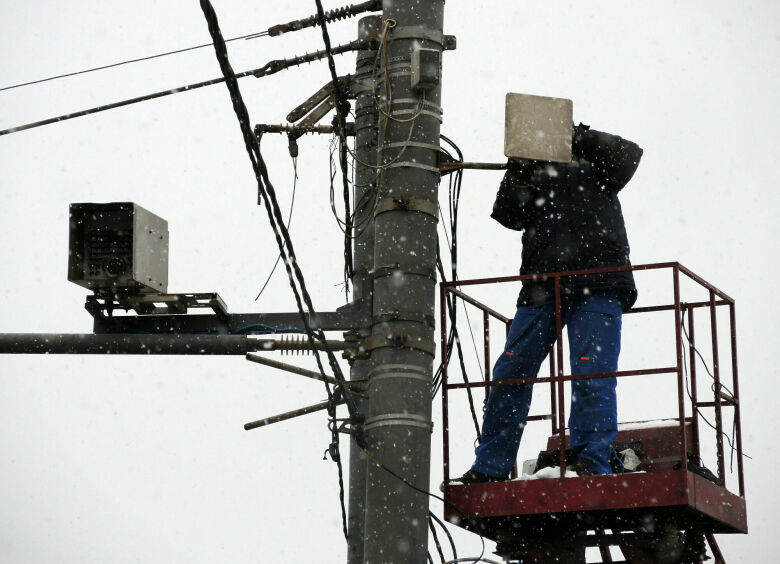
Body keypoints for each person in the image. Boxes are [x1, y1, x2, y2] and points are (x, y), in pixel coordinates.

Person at [458, 123, 643, 482]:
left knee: (591, 372)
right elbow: (508, 214)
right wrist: (520, 165)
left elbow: (629, 157)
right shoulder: (533, 168)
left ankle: (592, 462)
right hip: (546, 285)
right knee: (511, 374)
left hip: (597, 281)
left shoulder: (595, 158)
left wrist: (576, 135)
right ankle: (490, 467)